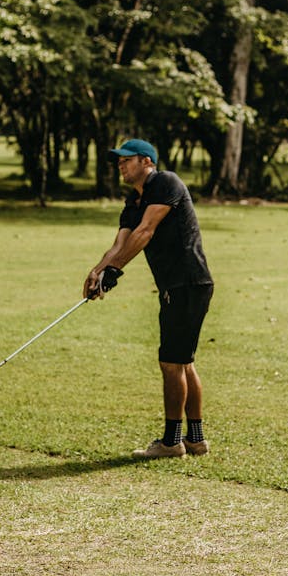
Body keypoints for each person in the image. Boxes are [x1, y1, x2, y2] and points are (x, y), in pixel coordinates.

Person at [83, 139, 214, 459]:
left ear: (146, 162)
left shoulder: (165, 182)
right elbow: (121, 242)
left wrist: (115, 270)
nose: (120, 166)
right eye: (118, 162)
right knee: (183, 362)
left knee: (171, 363)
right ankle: (194, 439)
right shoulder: (134, 200)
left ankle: (171, 443)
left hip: (188, 282)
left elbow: (145, 232)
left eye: (126, 160)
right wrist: (98, 271)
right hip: (175, 286)